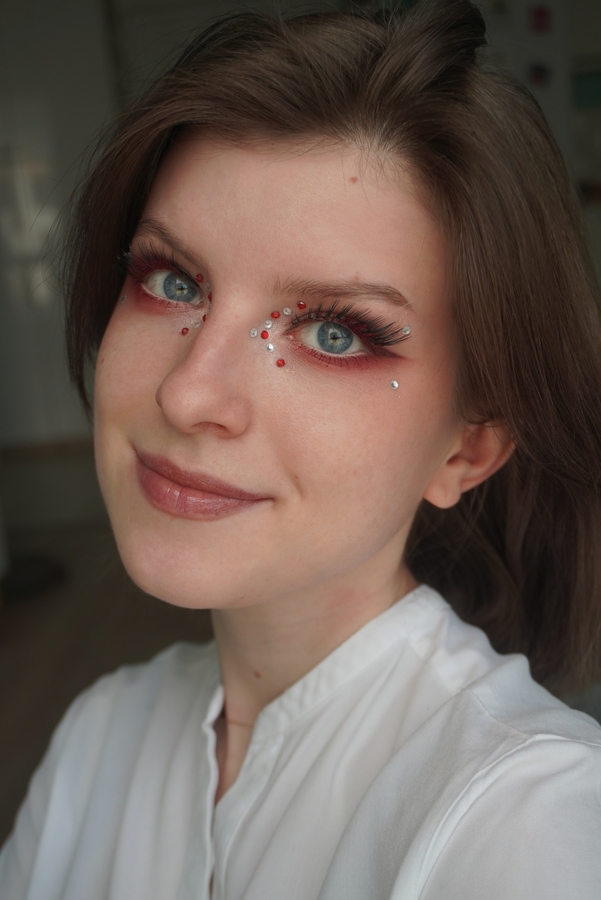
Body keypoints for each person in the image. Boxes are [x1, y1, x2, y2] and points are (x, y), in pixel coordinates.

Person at [2, 1, 601, 897]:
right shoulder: (102, 736)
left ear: (468, 450)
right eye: (173, 281)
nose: (187, 393)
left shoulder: (525, 822)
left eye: (333, 334)